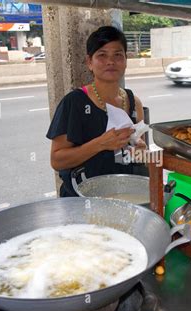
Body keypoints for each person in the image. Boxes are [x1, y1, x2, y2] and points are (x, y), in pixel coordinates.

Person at [46, 26, 147, 197]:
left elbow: (138, 151)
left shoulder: (133, 102)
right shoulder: (74, 102)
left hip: (125, 195)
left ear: (125, 61)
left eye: (118, 55)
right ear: (89, 62)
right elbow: (57, 160)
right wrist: (100, 144)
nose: (110, 61)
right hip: (81, 199)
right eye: (102, 55)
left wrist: (141, 152)